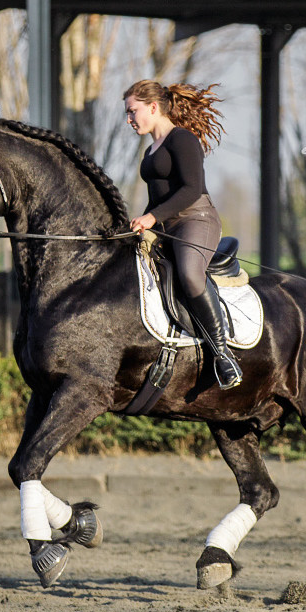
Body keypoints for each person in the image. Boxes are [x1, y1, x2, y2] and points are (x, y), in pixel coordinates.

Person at [123, 79, 242, 390]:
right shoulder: (151, 151)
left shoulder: (182, 139)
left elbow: (190, 189)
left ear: (152, 107)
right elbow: (157, 198)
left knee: (190, 274)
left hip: (195, 219)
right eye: (127, 113)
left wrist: (151, 217)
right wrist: (137, 223)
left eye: (132, 111)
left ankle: (223, 355)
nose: (129, 119)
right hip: (165, 225)